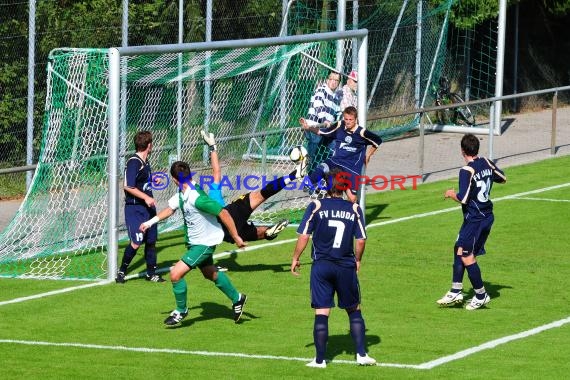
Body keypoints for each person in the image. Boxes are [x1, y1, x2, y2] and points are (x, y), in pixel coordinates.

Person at [140, 160, 248, 326]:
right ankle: (238, 298)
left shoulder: (197, 198)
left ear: (175, 179)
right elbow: (170, 208)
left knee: (175, 274)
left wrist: (236, 237)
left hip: (204, 244)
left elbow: (223, 212)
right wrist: (150, 223)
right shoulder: (183, 193)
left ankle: (181, 311)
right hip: (195, 242)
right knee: (209, 273)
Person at [290, 169, 377, 368]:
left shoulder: (316, 205)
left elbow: (304, 236)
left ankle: (320, 360)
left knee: (322, 312)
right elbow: (361, 240)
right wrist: (357, 259)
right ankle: (361, 355)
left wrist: (295, 258)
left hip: (321, 266)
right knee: (354, 309)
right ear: (345, 187)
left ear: (326, 186)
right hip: (345, 266)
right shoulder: (354, 209)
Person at [437, 133, 506, 310]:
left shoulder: (466, 170)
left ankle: (481, 295)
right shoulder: (486, 162)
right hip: (483, 216)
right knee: (458, 248)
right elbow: (502, 178)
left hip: (476, 219)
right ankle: (456, 290)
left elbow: (464, 197)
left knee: (467, 256)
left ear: (462, 151)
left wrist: (451, 194)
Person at [300, 106, 382, 203]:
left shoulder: (361, 132)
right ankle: (309, 183)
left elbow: (378, 141)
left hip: (352, 168)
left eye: (350, 120)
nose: (348, 122)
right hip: (336, 162)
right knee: (323, 167)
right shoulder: (340, 125)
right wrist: (308, 127)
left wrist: (368, 155)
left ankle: (354, 215)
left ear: (355, 119)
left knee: (352, 198)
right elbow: (324, 132)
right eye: (346, 119)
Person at [116, 130, 165, 284]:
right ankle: (122, 271)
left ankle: (151, 273)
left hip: (148, 209)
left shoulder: (146, 161)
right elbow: (128, 186)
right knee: (136, 241)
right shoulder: (134, 162)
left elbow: (141, 181)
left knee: (151, 241)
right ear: (149, 145)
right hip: (135, 209)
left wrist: (152, 180)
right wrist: (146, 197)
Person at [304, 70, 342, 163]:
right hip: (315, 127)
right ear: (327, 80)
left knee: (334, 149)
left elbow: (338, 112)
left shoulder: (335, 97)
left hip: (326, 129)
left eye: (336, 80)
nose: (333, 82)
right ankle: (308, 172)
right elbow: (318, 105)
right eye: (331, 79)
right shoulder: (321, 90)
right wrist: (324, 120)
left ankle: (324, 173)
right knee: (313, 155)